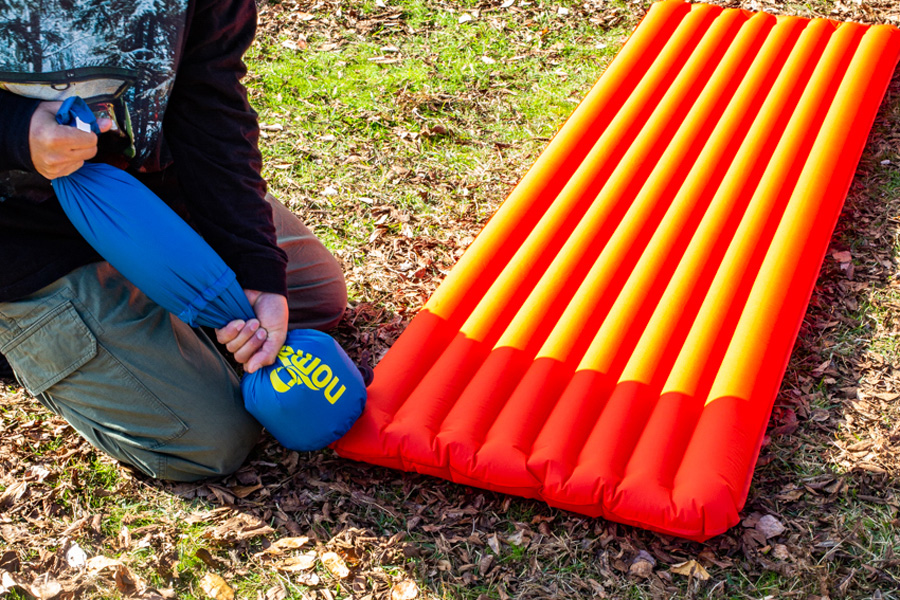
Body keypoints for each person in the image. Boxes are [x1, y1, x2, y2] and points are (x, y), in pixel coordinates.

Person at [0, 0, 348, 480]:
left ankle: (141, 306)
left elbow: (209, 102)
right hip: (19, 231)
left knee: (313, 295)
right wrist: (14, 131)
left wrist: (255, 266)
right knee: (210, 440)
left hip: (139, 193)